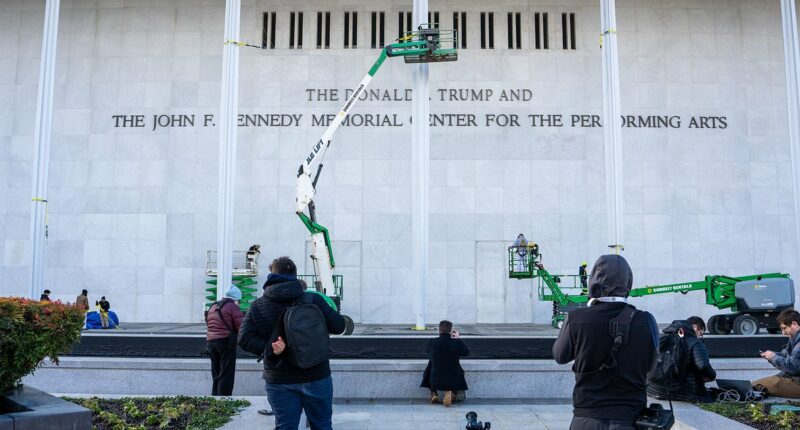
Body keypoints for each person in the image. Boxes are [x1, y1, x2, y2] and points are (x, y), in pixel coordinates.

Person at [238, 256, 346, 430]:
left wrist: (271, 348)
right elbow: (339, 326)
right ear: (295, 276)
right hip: (316, 375)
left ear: (271, 276)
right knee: (322, 426)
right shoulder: (313, 300)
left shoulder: (258, 305)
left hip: (280, 380)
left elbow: (244, 338)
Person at [552, 254, 659, 430]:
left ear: (593, 280)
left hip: (587, 417)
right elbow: (651, 367)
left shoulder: (575, 318)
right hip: (630, 418)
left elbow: (560, 356)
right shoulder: (646, 320)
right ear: (628, 283)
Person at [647, 320, 716, 402]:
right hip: (682, 393)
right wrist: (712, 376)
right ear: (694, 328)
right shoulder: (694, 342)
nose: (700, 335)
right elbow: (703, 366)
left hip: (652, 390)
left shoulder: (660, 337)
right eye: (700, 332)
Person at [420, 320, 470, 407]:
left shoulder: (432, 342)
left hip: (434, 381)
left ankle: (434, 393)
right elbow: (466, 352)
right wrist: (458, 339)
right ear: (451, 331)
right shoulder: (456, 343)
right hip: (454, 381)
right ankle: (452, 393)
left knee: (431, 364)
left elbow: (426, 351)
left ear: (439, 330)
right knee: (457, 367)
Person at [206, 285, 244, 396]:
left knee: (216, 372)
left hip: (211, 342)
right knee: (226, 373)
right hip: (225, 343)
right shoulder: (232, 307)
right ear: (236, 298)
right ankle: (224, 400)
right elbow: (241, 326)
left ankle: (215, 398)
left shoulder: (213, 306)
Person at [754, 309, 800, 398]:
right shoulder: (795, 339)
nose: (783, 333)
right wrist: (771, 355)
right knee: (758, 386)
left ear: (794, 324)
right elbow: (785, 355)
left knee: (754, 387)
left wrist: (773, 357)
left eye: (784, 328)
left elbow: (793, 367)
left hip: (796, 382)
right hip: (793, 379)